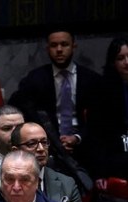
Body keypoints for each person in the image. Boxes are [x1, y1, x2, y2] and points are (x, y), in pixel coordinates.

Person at [9, 29, 101, 162]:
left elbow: (100, 119)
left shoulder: (91, 79)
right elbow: (24, 112)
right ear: (47, 48)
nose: (59, 49)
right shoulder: (34, 79)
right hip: (47, 143)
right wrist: (53, 141)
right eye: (54, 45)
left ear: (73, 46)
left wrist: (77, 137)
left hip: (85, 143)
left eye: (64, 44)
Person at [9, 122, 88, 202]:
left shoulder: (67, 184)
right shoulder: (3, 186)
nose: (41, 149)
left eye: (44, 142)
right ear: (15, 151)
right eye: (32, 144)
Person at [87, 36, 128, 183]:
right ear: (113, 62)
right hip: (115, 155)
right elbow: (97, 135)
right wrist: (100, 173)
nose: (127, 62)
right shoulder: (102, 90)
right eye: (121, 58)